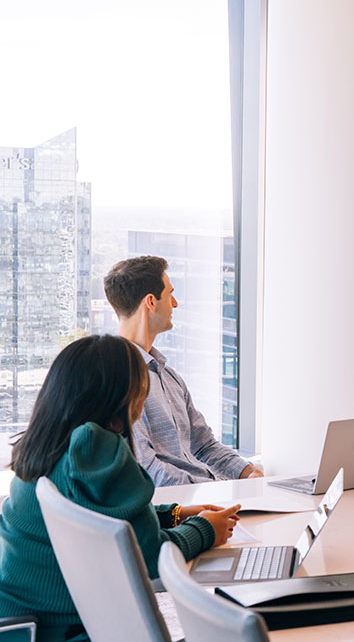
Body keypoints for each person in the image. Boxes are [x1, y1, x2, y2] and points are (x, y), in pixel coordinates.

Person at [0, 335, 239, 642]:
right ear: (120, 395)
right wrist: (206, 529)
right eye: (142, 387)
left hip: (18, 621)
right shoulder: (95, 447)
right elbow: (149, 557)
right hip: (58, 630)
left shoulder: (49, 443)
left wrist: (174, 514)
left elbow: (97, 517)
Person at [104, 256, 263, 485]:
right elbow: (147, 469)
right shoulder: (119, 378)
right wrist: (214, 488)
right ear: (151, 302)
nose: (175, 303)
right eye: (170, 294)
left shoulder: (168, 376)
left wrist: (248, 473)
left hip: (204, 494)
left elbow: (204, 444)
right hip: (178, 507)